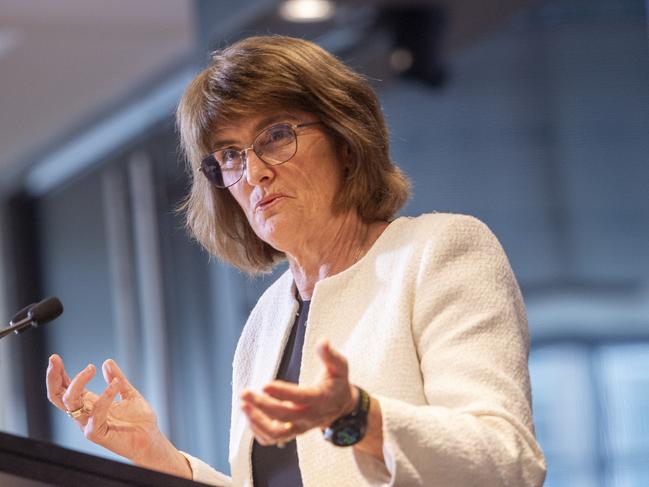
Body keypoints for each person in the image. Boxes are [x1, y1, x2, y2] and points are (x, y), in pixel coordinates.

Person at [46, 35, 547, 486]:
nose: (255, 173)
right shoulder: (265, 322)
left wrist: (357, 417)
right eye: (230, 155)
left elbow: (507, 462)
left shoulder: (439, 252)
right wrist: (160, 458)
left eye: (276, 136)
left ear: (345, 141)